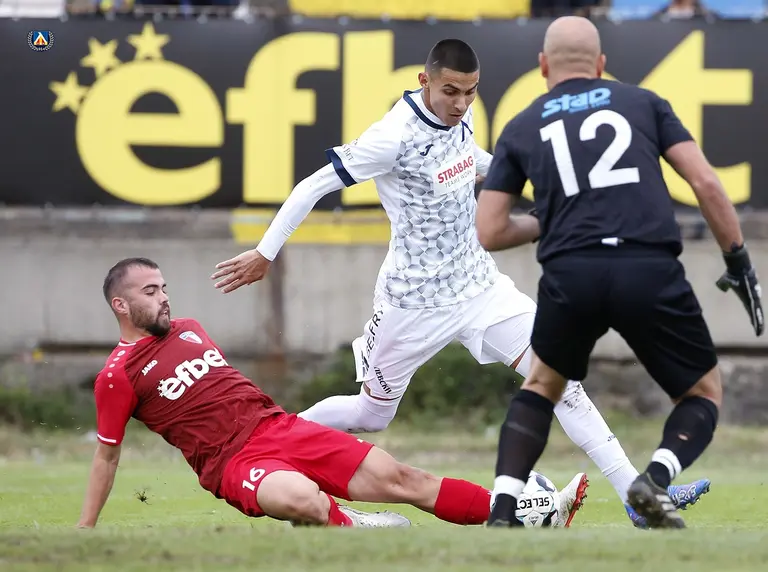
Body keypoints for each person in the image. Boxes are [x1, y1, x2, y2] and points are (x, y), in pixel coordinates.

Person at [210, 38, 711, 529]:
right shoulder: (392, 136)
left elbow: (470, 160)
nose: (461, 103)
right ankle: (275, 440)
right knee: (371, 414)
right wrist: (265, 252)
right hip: (413, 304)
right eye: (450, 91)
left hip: (479, 288)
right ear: (424, 81)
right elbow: (314, 184)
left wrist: (535, 185)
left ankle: (636, 497)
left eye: (470, 92)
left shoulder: (460, 116)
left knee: (562, 380)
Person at [475, 16, 763, 529]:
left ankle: (502, 511)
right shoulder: (643, 103)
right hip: (646, 267)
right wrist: (737, 261)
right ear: (602, 65)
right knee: (702, 393)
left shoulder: (521, 125)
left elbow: (491, 230)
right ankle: (653, 480)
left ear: (543, 66)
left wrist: (549, 219)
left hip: (572, 271)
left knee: (541, 388)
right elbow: (705, 183)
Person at [77, 257, 588, 530]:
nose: (165, 298)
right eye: (151, 292)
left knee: (405, 479)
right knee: (300, 498)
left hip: (280, 428)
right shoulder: (116, 377)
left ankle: (522, 514)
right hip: (232, 463)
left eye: (165, 288)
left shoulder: (189, 328)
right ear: (121, 305)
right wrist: (85, 529)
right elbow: (107, 457)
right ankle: (352, 523)